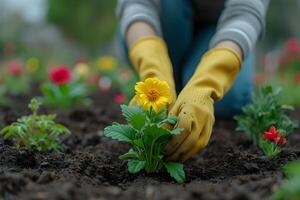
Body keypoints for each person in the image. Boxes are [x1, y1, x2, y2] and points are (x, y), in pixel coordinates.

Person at [117, 0, 270, 162]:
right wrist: (153, 69)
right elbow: (136, 3)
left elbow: (245, 12)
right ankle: (175, 86)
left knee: (231, 97)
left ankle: (187, 94)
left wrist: (208, 82)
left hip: (220, 30)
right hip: (164, 22)